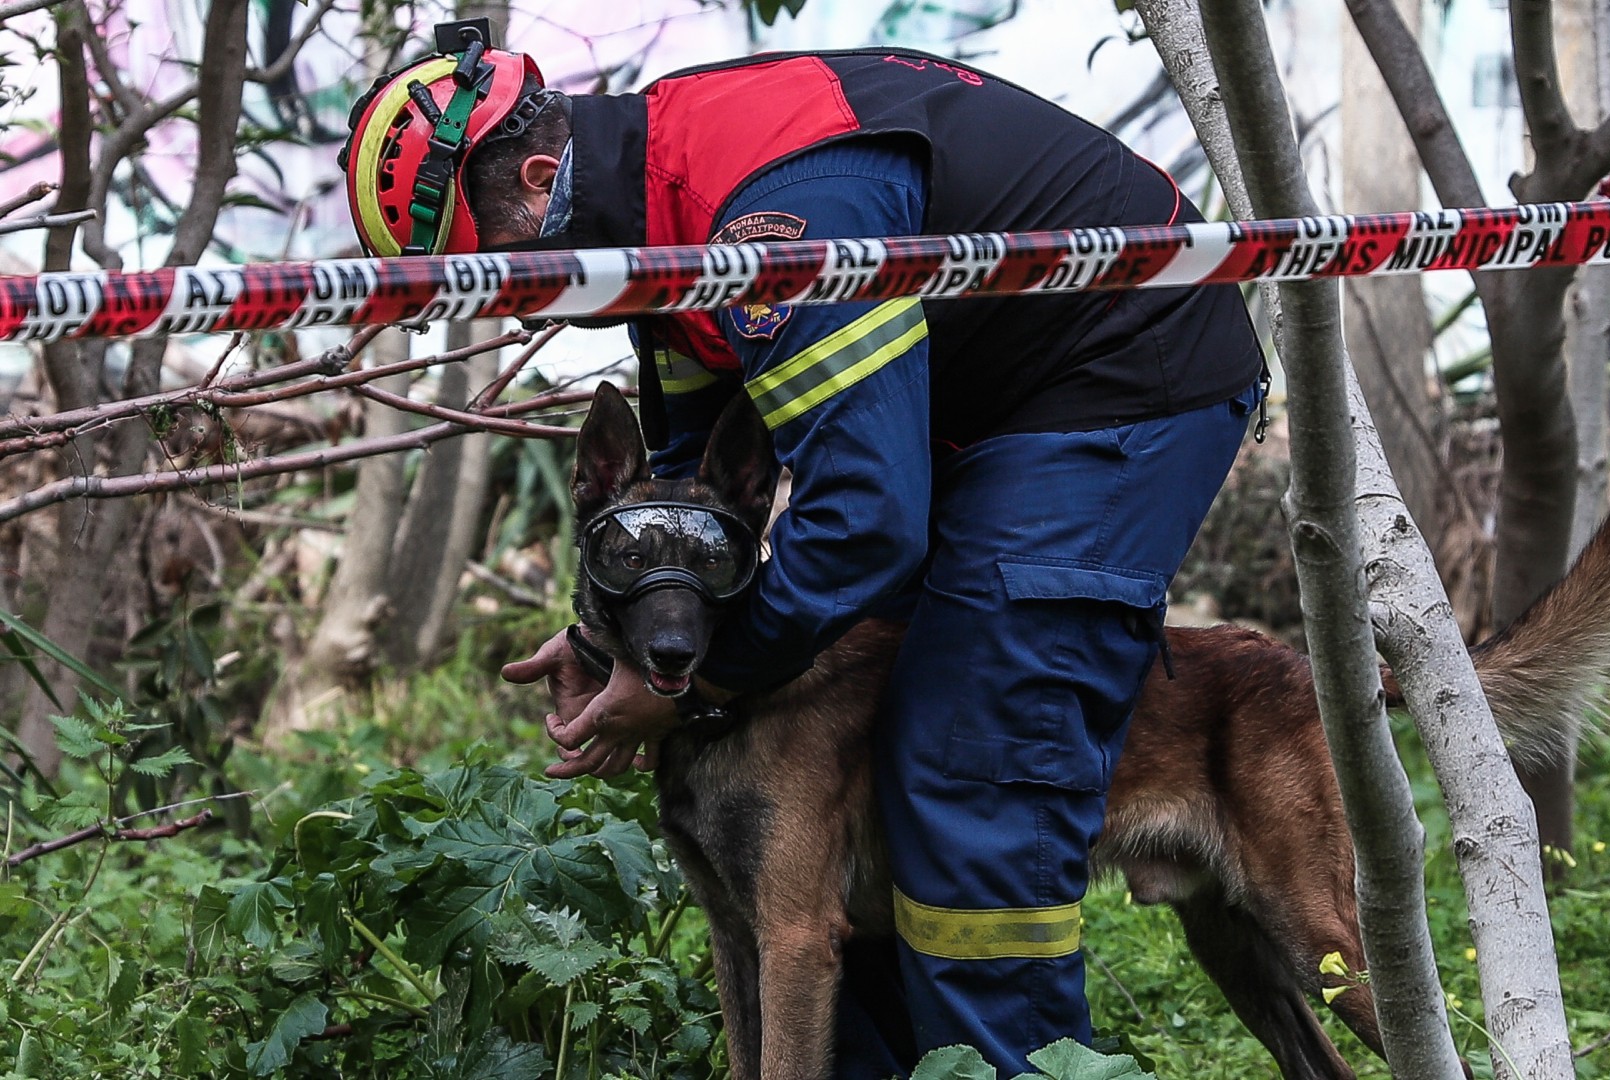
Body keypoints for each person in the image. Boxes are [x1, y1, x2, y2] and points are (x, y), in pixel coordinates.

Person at [342, 23, 1264, 1077]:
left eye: (505, 276)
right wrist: (615, 643)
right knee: (854, 770)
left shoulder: (776, 221)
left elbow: (866, 515)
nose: (516, 315)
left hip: (1122, 380)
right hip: (976, 409)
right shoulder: (661, 221)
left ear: (546, 178)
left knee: (970, 761)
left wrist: (700, 686)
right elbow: (693, 491)